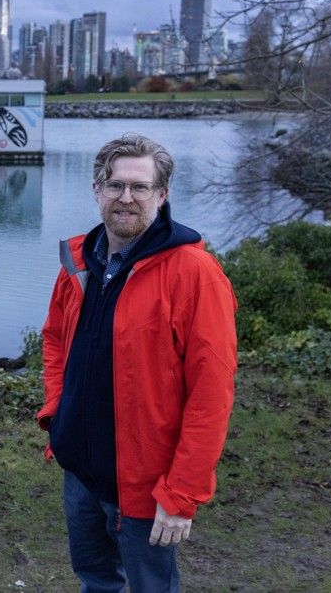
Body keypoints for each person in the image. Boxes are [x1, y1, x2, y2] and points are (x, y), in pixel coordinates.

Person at [37, 134, 237, 592]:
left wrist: (182, 492)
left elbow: (211, 394)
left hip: (147, 483)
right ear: (97, 190)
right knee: (96, 581)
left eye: (140, 187)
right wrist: (59, 410)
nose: (126, 197)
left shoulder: (194, 273)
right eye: (115, 185)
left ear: (161, 194)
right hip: (81, 472)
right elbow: (54, 340)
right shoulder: (79, 262)